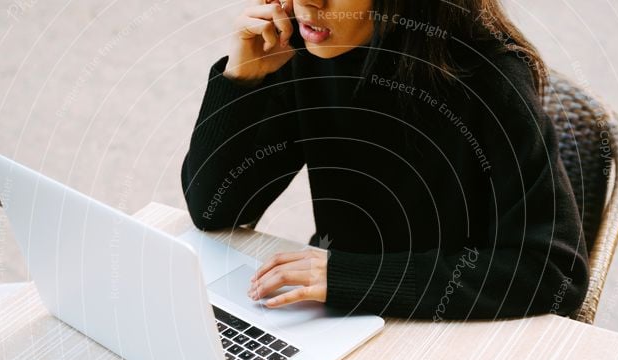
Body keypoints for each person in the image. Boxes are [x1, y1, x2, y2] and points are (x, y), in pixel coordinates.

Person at [181, 0, 589, 320]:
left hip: (454, 331)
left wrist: (351, 277)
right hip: (337, 310)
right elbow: (213, 209)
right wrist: (243, 78)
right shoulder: (308, 52)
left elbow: (554, 273)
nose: (306, 3)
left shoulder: (490, 79)